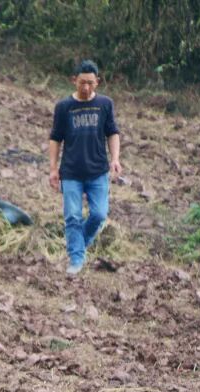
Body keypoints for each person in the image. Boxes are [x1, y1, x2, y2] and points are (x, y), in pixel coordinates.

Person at [48, 59, 121, 275]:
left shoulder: (105, 104)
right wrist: (53, 169)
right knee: (72, 216)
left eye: (90, 83)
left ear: (97, 82)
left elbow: (112, 133)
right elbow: (55, 138)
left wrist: (115, 159)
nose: (86, 87)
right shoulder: (64, 107)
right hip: (71, 172)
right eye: (82, 82)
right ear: (74, 81)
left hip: (98, 171)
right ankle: (76, 260)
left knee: (99, 214)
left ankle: (78, 245)